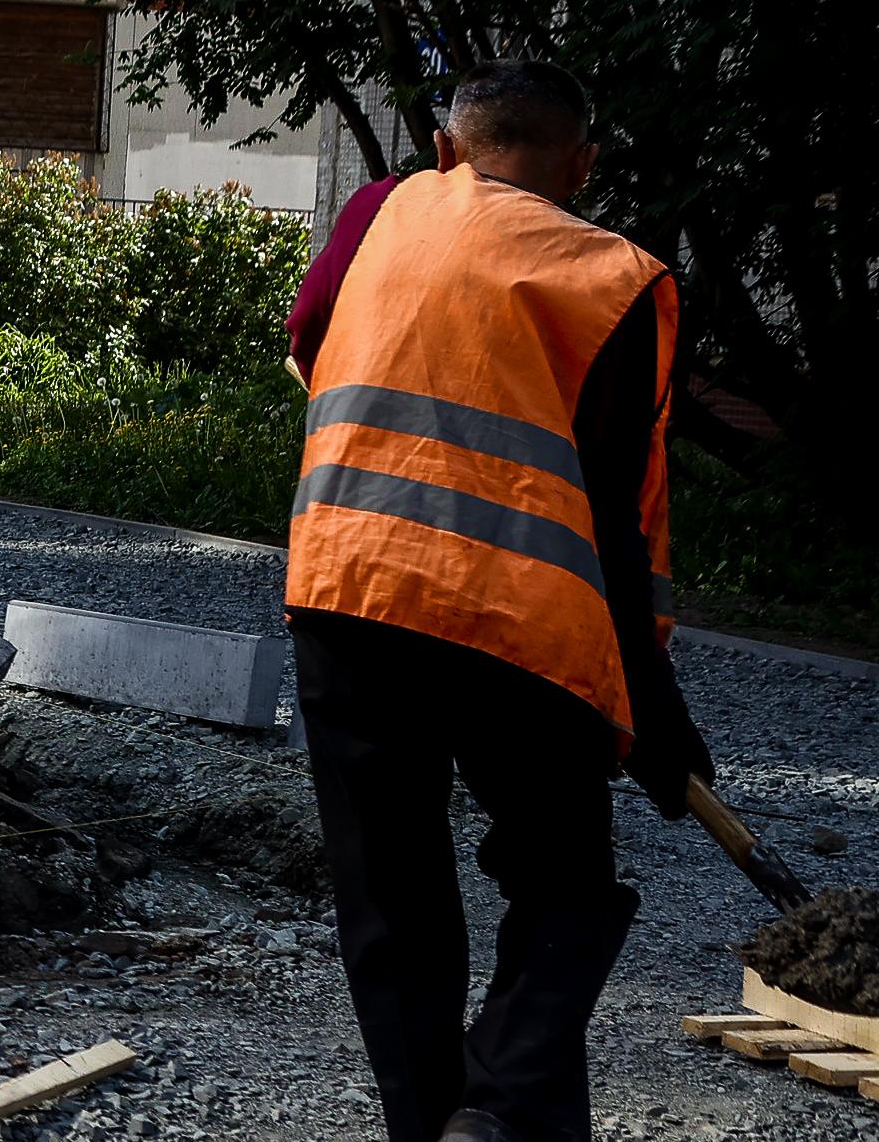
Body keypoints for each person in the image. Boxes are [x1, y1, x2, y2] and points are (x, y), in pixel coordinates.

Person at [284, 59, 712, 1142]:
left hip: (350, 588)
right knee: (566, 884)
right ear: (584, 164)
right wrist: (653, 712)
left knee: (392, 905)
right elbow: (612, 514)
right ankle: (507, 1109)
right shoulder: (615, 277)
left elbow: (309, 338)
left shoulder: (380, 213)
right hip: (520, 624)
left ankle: (447, 1127)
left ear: (445, 149)